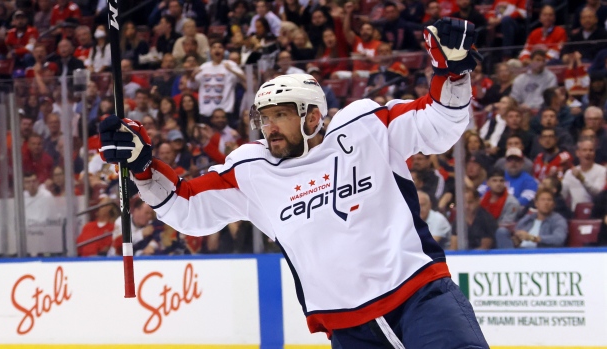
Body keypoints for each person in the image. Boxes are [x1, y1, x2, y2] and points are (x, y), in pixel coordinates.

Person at [99, 18, 488, 347]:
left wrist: (451, 72)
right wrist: (142, 164)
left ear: (313, 117)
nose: (269, 128)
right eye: (264, 119)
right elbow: (187, 207)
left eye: (280, 115)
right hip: (348, 328)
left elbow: (439, 124)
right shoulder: (253, 171)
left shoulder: (365, 126)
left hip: (421, 296)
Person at [496, 188, 568, 248]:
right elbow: (517, 232)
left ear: (553, 204)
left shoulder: (558, 220)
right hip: (520, 252)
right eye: (543, 200)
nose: (546, 203)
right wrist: (516, 239)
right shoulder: (528, 218)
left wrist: (533, 238)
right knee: (501, 231)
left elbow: (559, 239)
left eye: (549, 200)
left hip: (541, 254)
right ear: (536, 203)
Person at [561, 139, 606, 211]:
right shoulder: (570, 173)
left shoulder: (602, 171)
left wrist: (581, 178)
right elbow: (562, 195)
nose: (588, 153)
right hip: (575, 214)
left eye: (591, 150)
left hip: (595, 213)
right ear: (578, 153)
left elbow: (598, 194)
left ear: (595, 153)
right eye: (584, 150)